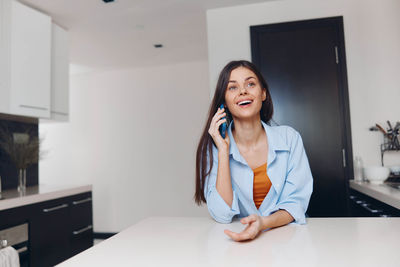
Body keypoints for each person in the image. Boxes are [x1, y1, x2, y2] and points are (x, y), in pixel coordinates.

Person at [194, 60, 313, 242]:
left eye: (250, 84)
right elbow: (221, 215)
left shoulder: (290, 139)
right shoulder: (216, 148)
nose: (243, 91)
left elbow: (295, 203)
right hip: (236, 246)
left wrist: (263, 223)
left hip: (286, 242)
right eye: (232, 88)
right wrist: (224, 151)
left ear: (263, 93)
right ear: (223, 101)